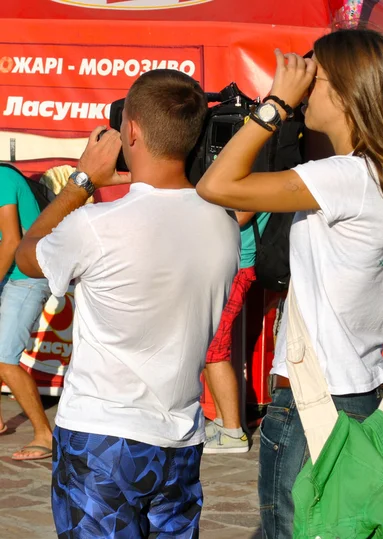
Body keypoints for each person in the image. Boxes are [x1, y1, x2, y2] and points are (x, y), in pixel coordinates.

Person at [197, 29, 383, 538]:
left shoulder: (344, 177)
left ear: (345, 94)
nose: (304, 93)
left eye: (313, 81)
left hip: (313, 403)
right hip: (361, 392)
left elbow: (216, 186)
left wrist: (275, 105)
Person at [16, 69, 239, 538]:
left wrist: (80, 181)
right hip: (180, 438)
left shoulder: (96, 224)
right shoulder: (223, 225)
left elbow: (27, 255)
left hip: (102, 437)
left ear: (129, 131)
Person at [203, 210, 270, 454]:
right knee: (208, 346)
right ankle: (222, 422)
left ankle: (233, 432)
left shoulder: (258, 174)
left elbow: (239, 216)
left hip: (237, 265)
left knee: (215, 350)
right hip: (228, 263)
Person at [0, 165, 52, 460]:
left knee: (5, 359)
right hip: (12, 274)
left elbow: (10, 241)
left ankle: (44, 435)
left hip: (27, 276)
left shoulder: (2, 178)